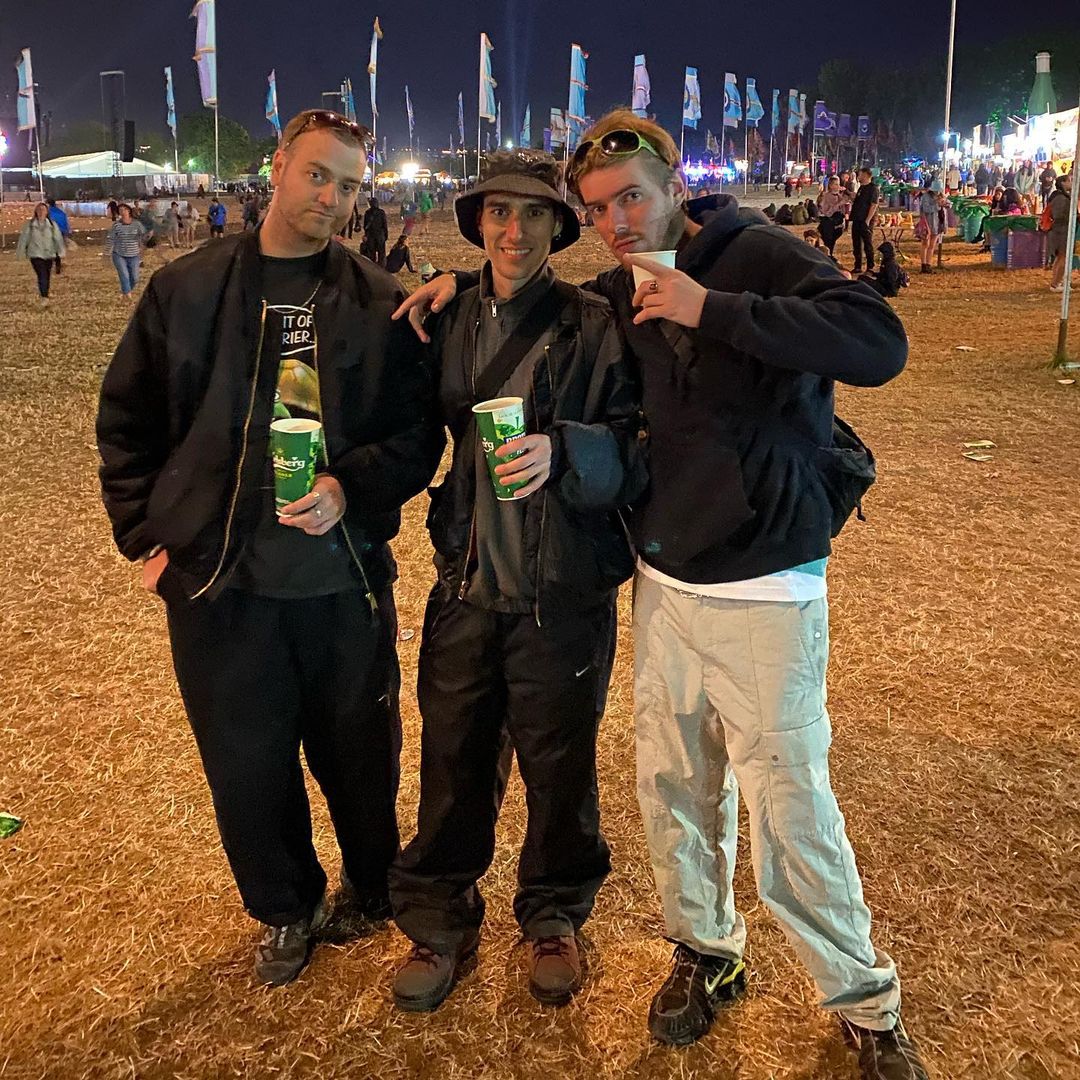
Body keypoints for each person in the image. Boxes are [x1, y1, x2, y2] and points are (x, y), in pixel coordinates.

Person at [397, 109, 928, 1080]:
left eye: (632, 198)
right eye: (600, 207)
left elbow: (878, 342)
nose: (617, 221)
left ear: (673, 184)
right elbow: (544, 305)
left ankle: (865, 1004)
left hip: (766, 584)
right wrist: (461, 285)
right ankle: (706, 952)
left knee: (789, 805)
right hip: (665, 582)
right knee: (675, 789)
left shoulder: (757, 253)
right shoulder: (618, 287)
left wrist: (709, 307)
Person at [96, 109, 444, 988]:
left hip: (340, 581)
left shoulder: (376, 300)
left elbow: (417, 436)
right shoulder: (187, 289)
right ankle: (287, 906)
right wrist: (147, 538)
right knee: (247, 767)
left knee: (361, 755)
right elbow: (127, 422)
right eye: (318, 175)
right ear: (279, 167)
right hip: (221, 586)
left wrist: (349, 487)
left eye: (349, 185)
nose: (331, 197)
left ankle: (373, 884)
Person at [387, 149, 645, 1013]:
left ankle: (554, 913)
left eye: (534, 214)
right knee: (452, 757)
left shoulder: (591, 323)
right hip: (466, 582)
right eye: (499, 211)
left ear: (558, 228)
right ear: (478, 223)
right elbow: (413, 425)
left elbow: (635, 441)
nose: (514, 230)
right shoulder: (449, 317)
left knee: (559, 764)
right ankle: (438, 919)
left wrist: (564, 450)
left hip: (560, 590)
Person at [16, 202, 65, 307]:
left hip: (49, 254)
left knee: (47, 275)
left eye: (43, 210)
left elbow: (58, 239)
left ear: (47, 212)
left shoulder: (52, 225)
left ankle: (45, 294)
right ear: (36, 212)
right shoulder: (30, 225)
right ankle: (44, 296)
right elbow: (24, 239)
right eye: (39, 210)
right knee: (41, 274)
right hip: (35, 254)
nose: (41, 212)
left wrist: (60, 252)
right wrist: (20, 253)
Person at [103, 204, 147, 301]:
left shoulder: (137, 224)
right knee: (124, 275)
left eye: (124, 210)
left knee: (135, 278)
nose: (122, 212)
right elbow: (111, 239)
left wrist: (146, 238)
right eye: (120, 210)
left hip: (134, 254)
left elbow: (143, 235)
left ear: (129, 211)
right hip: (119, 254)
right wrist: (106, 253)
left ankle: (125, 292)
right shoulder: (116, 225)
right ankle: (127, 295)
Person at [1048, 174, 1076, 292]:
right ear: (1063, 183)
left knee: (1060, 257)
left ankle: (1056, 282)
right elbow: (1059, 215)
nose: (1071, 183)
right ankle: (1055, 284)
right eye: (1069, 181)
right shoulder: (1060, 198)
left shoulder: (1059, 196)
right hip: (1061, 231)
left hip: (1059, 230)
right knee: (1063, 257)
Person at [849, 167, 879, 274]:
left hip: (865, 220)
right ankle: (858, 265)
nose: (858, 176)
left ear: (866, 175)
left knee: (867, 243)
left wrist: (868, 220)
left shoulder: (873, 188)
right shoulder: (861, 188)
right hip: (857, 218)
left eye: (860, 174)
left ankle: (870, 266)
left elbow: (874, 205)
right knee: (856, 243)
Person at [816, 176, 850, 257]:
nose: (838, 186)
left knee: (832, 242)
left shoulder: (840, 195)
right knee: (828, 243)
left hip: (837, 224)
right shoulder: (826, 196)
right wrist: (839, 204)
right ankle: (828, 257)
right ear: (830, 185)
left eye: (838, 184)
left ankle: (829, 256)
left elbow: (844, 209)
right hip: (828, 224)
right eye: (836, 184)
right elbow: (826, 212)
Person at [917, 179, 939, 274]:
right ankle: (923, 265)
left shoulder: (939, 196)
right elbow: (926, 209)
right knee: (925, 244)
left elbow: (948, 205)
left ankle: (928, 264)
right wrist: (937, 204)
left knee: (932, 245)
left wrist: (945, 204)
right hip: (927, 223)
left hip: (937, 223)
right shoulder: (925, 197)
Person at [46, 198, 72, 274]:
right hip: (61, 232)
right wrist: (67, 232)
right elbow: (65, 223)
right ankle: (58, 266)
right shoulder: (61, 212)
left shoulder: (48, 213)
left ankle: (49, 266)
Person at [362, 197, 389, 266]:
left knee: (372, 253)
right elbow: (385, 225)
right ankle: (381, 267)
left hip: (371, 235)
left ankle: (372, 267)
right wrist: (386, 235)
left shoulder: (367, 213)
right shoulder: (381, 212)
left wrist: (366, 235)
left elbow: (365, 226)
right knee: (381, 253)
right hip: (380, 235)